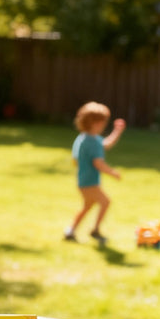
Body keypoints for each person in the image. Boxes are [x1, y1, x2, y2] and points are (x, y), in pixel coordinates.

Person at [64, 101, 125, 244]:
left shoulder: (84, 138)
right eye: (103, 123)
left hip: (82, 180)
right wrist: (113, 173)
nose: (104, 125)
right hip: (90, 182)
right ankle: (95, 230)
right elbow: (98, 163)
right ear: (94, 123)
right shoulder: (92, 142)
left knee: (87, 207)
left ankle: (71, 230)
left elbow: (106, 144)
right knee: (105, 202)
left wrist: (117, 131)